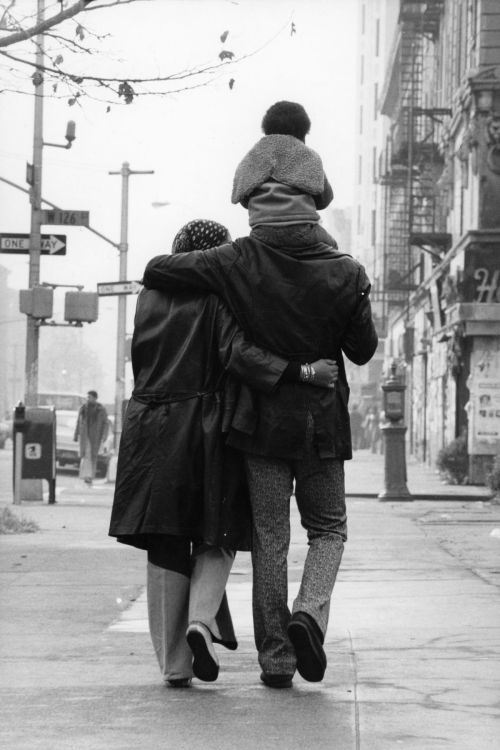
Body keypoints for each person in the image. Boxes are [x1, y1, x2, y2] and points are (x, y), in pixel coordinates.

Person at [142, 106, 378, 688]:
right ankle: (310, 613)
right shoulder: (346, 272)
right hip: (321, 425)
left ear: (251, 199)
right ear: (313, 194)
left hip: (258, 425)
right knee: (328, 530)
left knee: (270, 541)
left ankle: (277, 660)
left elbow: (158, 267)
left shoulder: (235, 261)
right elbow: (363, 351)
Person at [109, 219, 338, 689]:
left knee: (165, 540)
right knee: (219, 530)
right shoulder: (218, 298)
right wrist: (299, 371)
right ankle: (200, 623)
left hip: (148, 427)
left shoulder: (147, 299)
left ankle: (175, 665)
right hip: (205, 422)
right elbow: (238, 355)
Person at [232, 100, 335, 246]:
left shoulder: (252, 157)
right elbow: (324, 200)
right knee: (332, 248)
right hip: (303, 232)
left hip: (262, 233)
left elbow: (243, 200)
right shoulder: (309, 156)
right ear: (303, 134)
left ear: (266, 132)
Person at [74, 390, 108, 486]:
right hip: (85, 436)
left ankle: (89, 476)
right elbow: (78, 422)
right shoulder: (83, 408)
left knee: (92, 456)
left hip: (95, 436)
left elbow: (106, 423)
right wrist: (76, 434)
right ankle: (86, 475)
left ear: (95, 398)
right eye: (87, 397)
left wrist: (105, 435)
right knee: (85, 455)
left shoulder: (101, 409)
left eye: (89, 397)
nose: (88, 399)